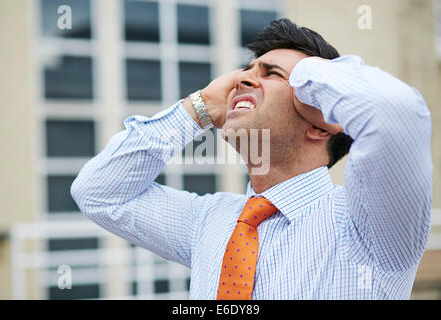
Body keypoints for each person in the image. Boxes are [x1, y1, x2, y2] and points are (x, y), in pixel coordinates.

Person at [70, 18, 433, 299]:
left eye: (269, 73)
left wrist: (308, 77)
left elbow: (395, 113)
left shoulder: (368, 225)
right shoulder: (207, 221)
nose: (242, 81)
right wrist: (200, 107)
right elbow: (99, 192)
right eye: (246, 70)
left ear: (322, 124)